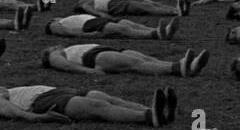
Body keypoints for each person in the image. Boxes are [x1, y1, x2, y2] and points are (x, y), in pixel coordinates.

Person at [0, 85, 174, 126]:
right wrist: (42, 117)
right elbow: (15, 112)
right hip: (40, 101)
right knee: (96, 105)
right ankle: (149, 117)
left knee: (108, 98)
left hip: (55, 90)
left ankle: (156, 112)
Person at [42, 44, 208, 78]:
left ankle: (186, 66)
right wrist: (89, 71)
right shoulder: (54, 55)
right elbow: (64, 65)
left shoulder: (65, 49)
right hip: (95, 57)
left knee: (147, 59)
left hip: (106, 50)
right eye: (52, 47)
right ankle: (178, 68)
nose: (56, 46)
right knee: (136, 64)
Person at [46, 13, 178, 41]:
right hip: (88, 25)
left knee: (128, 23)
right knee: (122, 29)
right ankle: (155, 35)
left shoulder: (65, 18)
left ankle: (160, 31)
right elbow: (66, 32)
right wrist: (86, 35)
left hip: (94, 20)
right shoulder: (54, 24)